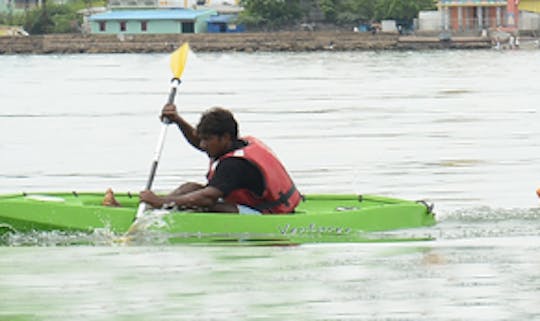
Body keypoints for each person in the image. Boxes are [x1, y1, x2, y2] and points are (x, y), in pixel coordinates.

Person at [104, 104, 302, 214]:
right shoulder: (236, 145)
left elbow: (207, 197)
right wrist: (178, 120)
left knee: (199, 203)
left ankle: (152, 211)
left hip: (268, 217)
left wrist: (162, 201)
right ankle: (149, 212)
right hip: (258, 205)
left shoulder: (234, 165)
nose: (203, 145)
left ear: (225, 138)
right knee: (189, 189)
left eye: (207, 140)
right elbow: (198, 140)